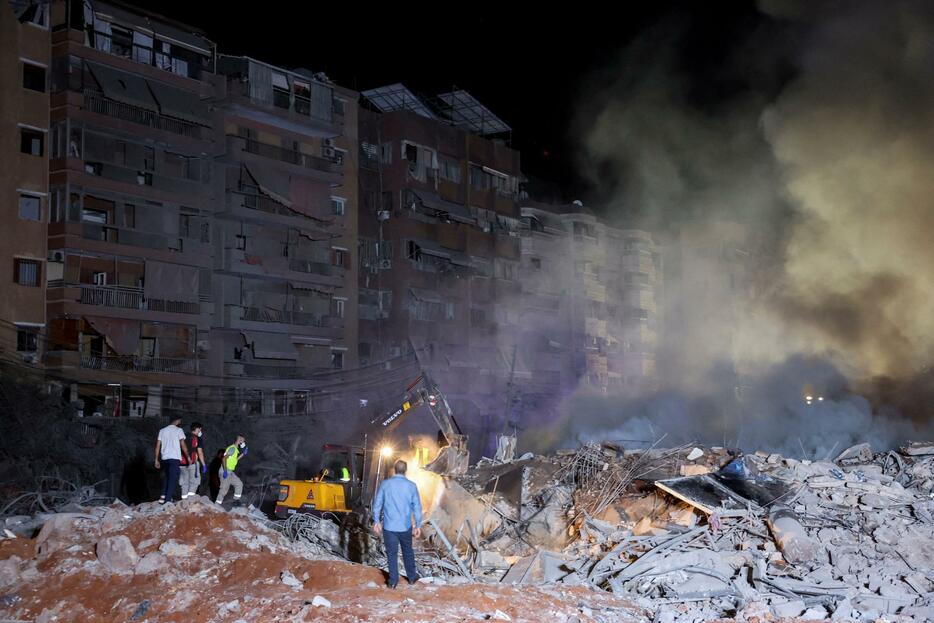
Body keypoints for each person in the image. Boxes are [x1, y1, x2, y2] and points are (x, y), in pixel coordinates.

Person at [372, 459, 422, 588]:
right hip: (405, 527)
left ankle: (393, 581)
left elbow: (377, 504)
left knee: (391, 554)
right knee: (408, 552)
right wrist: (418, 525)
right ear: (405, 470)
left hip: (389, 527)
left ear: (395, 469)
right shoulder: (411, 486)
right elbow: (417, 507)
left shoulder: (385, 484)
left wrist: (376, 521)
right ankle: (411, 577)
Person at [154, 416, 187, 504]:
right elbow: (183, 445)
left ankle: (162, 497)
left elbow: (157, 446)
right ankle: (168, 501)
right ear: (177, 420)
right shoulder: (179, 430)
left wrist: (156, 459)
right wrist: (188, 456)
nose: (180, 422)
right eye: (180, 420)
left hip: (164, 458)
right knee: (173, 479)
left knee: (167, 477)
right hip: (174, 458)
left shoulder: (162, 430)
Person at [215, 435, 247, 505]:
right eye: (243, 441)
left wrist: (243, 454)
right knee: (224, 490)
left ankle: (235, 501)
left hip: (230, 472)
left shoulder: (235, 450)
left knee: (239, 484)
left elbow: (235, 460)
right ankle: (216, 505)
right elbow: (224, 459)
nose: (244, 443)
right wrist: (225, 471)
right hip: (225, 470)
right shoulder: (232, 448)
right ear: (239, 440)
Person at [179, 422, 206, 499]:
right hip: (192, 463)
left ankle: (184, 500)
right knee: (195, 481)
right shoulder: (198, 439)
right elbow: (200, 453)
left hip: (181, 463)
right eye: (200, 429)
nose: (201, 431)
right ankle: (190, 500)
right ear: (198, 429)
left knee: (184, 483)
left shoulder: (184, 436)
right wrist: (203, 464)